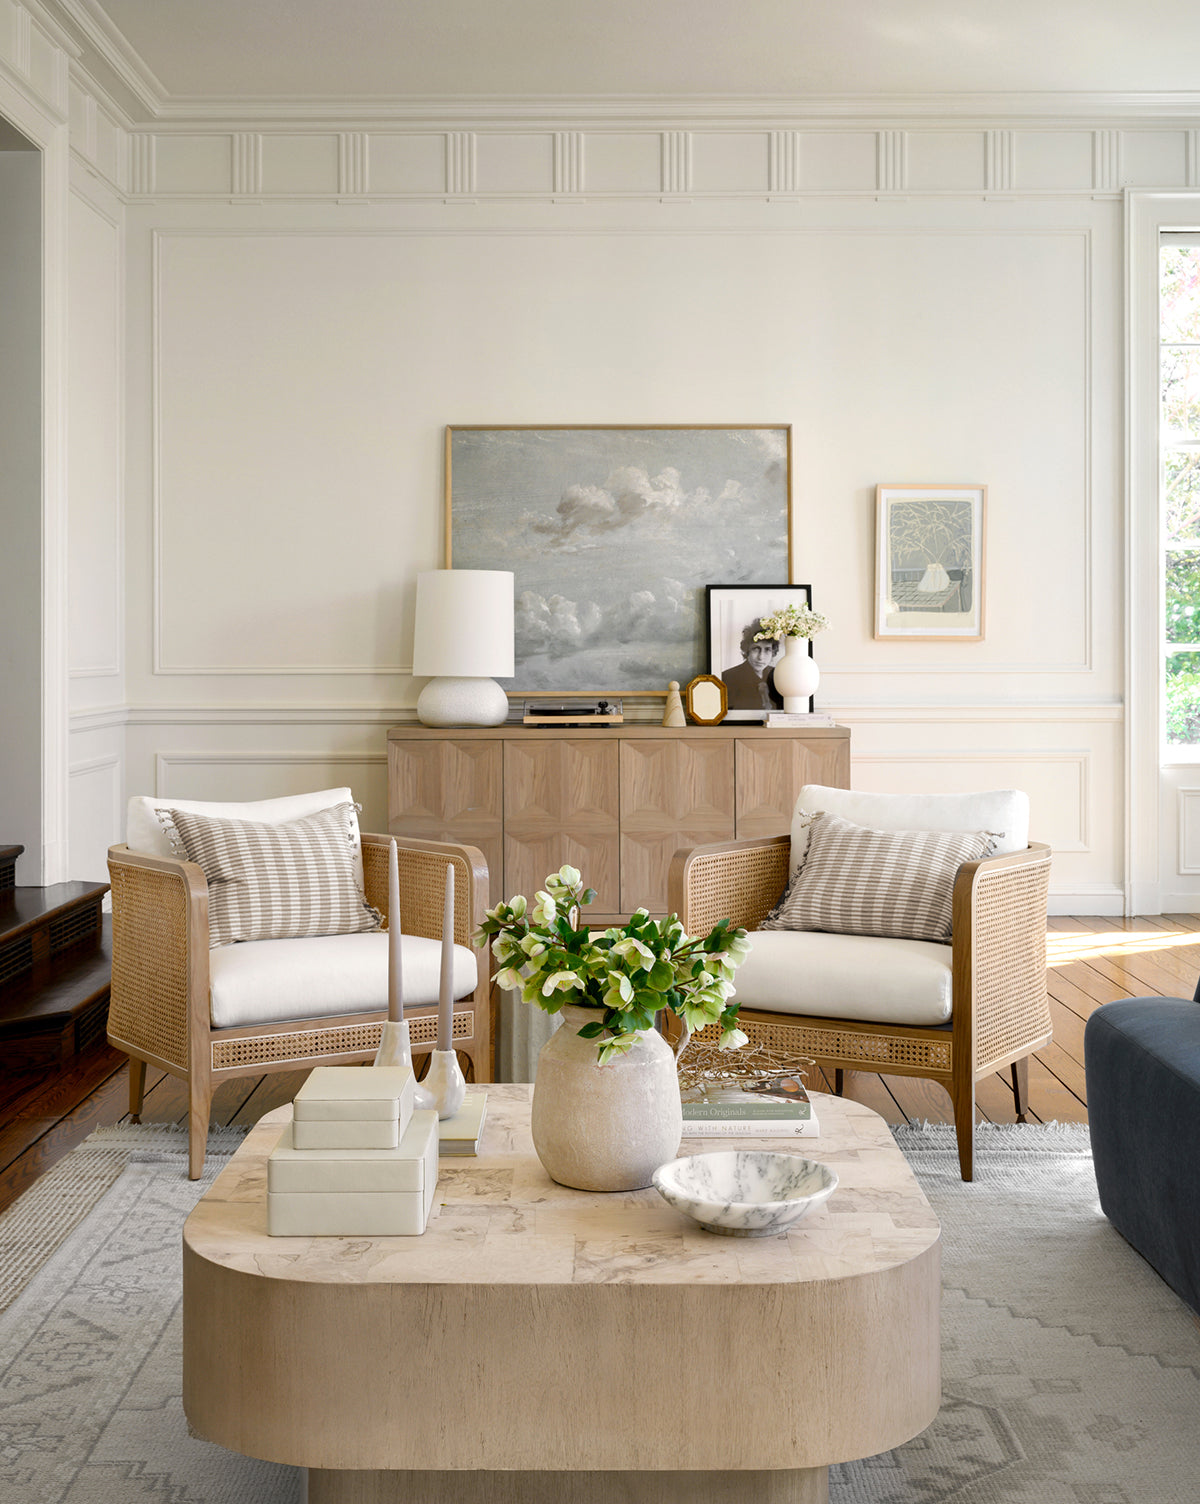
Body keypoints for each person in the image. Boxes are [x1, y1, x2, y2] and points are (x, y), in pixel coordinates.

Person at [720, 621, 782, 711]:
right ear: (747, 650)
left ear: (773, 652)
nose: (761, 657)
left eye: (767, 650)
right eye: (756, 649)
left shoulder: (779, 676)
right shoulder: (727, 678)